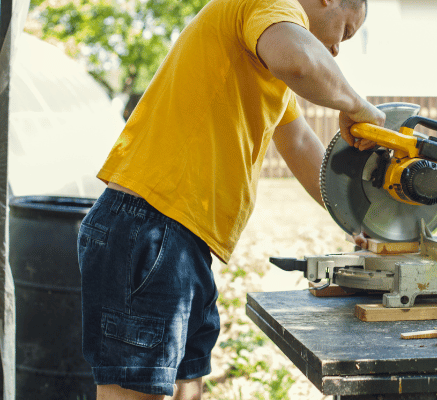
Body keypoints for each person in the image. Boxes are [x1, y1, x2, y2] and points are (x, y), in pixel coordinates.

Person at [77, 0, 385, 398]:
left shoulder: (262, 55)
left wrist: (361, 221)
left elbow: (300, 145)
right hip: (151, 226)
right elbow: (299, 61)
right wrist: (356, 105)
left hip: (180, 238)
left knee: (188, 386)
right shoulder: (271, 7)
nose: (337, 50)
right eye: (345, 32)